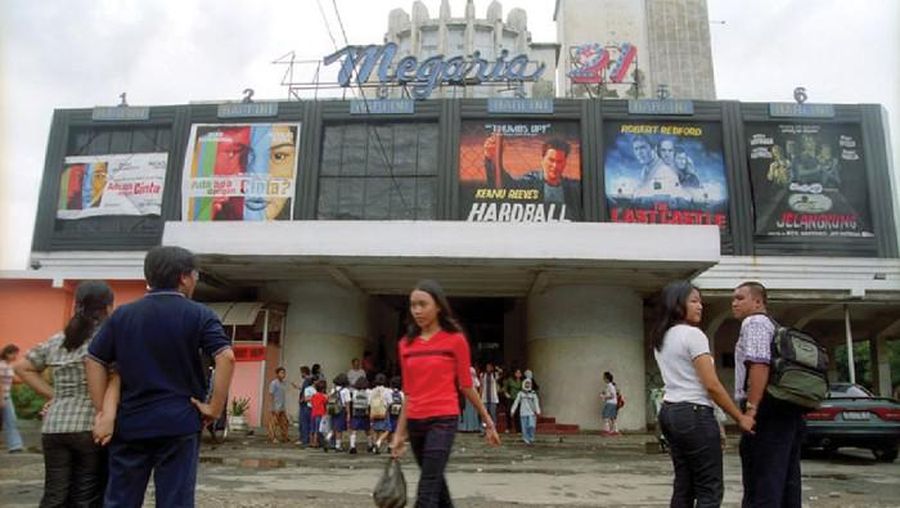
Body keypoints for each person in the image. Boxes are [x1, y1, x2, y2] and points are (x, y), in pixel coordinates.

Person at [85, 246, 235, 507]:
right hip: (180, 421)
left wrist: (103, 412)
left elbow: (94, 359)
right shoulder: (200, 314)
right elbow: (226, 357)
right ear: (184, 278)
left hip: (130, 422)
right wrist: (214, 408)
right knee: (174, 501)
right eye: (195, 275)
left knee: (121, 500)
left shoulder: (123, 315)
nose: (196, 281)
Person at [391, 279, 501, 507]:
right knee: (436, 483)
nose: (417, 311)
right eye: (413, 305)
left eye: (423, 304)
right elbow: (408, 393)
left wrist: (488, 421)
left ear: (438, 306)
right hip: (415, 422)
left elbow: (466, 385)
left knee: (427, 488)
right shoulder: (406, 345)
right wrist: (399, 434)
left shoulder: (455, 340)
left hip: (443, 419)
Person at [652, 280, 755, 508]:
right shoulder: (693, 335)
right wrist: (740, 418)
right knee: (710, 487)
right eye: (694, 301)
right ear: (678, 304)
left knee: (684, 485)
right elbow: (712, 385)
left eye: (701, 301)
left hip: (670, 412)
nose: (700, 306)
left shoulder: (662, 338)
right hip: (694, 412)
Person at [14, 281, 116, 506]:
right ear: (108, 308)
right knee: (86, 496)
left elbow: (22, 368)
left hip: (54, 426)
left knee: (54, 494)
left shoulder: (58, 339)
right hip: (91, 425)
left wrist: (55, 396)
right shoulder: (106, 339)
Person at [733, 281, 805, 508]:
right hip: (787, 410)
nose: (734, 303)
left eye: (739, 298)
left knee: (762, 481)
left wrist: (751, 409)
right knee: (786, 480)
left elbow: (759, 365)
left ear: (757, 301)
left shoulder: (754, 322)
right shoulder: (774, 326)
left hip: (766, 410)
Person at [483, 134, 582, 220]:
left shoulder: (573, 188)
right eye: (551, 160)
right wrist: (491, 159)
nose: (555, 166)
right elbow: (507, 186)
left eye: (559, 161)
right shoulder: (532, 182)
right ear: (543, 160)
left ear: (565, 163)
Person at [631, 135, 688, 200]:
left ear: (654, 149)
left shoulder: (665, 170)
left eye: (643, 148)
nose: (639, 152)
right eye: (636, 149)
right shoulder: (645, 170)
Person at [1, 344, 24, 453]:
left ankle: (15, 445)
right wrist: (1, 399)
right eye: (13, 353)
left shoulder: (8, 366)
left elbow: (15, 380)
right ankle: (15, 445)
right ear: (7, 353)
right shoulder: (2, 365)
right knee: (10, 420)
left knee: (10, 420)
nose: (15, 356)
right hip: (3, 396)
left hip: (6, 396)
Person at [325, 373, 351, 452]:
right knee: (339, 429)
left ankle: (328, 437)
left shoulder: (334, 389)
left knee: (334, 426)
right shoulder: (345, 390)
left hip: (333, 410)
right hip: (341, 410)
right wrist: (348, 413)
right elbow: (347, 403)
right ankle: (338, 445)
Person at [510, 379, 541, 445]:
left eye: (529, 383)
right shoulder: (520, 393)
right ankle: (526, 440)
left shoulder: (533, 393)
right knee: (524, 427)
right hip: (523, 413)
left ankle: (531, 438)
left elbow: (536, 403)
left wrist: (538, 411)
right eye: (526, 383)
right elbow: (516, 402)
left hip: (531, 413)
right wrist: (512, 410)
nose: (527, 385)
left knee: (531, 426)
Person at [369, 373, 392, 454]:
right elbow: (390, 402)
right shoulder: (387, 391)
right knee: (387, 430)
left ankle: (375, 446)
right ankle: (378, 442)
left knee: (376, 430)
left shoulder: (372, 391)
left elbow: (370, 403)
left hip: (374, 412)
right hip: (383, 412)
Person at [348, 376, 372, 454]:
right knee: (367, 430)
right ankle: (370, 445)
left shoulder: (355, 392)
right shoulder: (368, 391)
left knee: (353, 430)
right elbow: (369, 402)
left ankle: (352, 446)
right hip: (365, 412)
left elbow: (353, 401)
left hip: (356, 412)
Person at [291, 365, 313, 446]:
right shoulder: (309, 380)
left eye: (301, 373)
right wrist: (298, 387)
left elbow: (306, 391)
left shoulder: (307, 381)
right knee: (306, 422)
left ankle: (304, 439)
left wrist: (302, 399)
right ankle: (305, 439)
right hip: (307, 404)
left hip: (305, 404)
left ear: (304, 372)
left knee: (303, 422)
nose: (301, 374)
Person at [266, 367, 289, 443]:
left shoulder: (283, 383)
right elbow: (271, 395)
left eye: (284, 373)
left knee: (284, 422)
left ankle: (284, 437)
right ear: (277, 374)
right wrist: (272, 407)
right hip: (275, 406)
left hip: (282, 406)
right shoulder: (274, 383)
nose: (283, 374)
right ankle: (272, 437)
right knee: (273, 423)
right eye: (282, 373)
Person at [458, 365, 481, 432]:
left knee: (472, 412)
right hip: (468, 397)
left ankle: (471, 427)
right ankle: (470, 427)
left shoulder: (472, 379)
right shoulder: (467, 379)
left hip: (472, 397)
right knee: (468, 411)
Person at [480, 362, 500, 433]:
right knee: (484, 415)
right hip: (485, 397)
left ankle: (493, 429)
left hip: (493, 398)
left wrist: (497, 369)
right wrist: (480, 395)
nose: (488, 368)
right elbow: (481, 385)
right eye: (487, 367)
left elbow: (501, 373)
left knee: (493, 414)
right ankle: (483, 429)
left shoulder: (495, 375)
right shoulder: (482, 375)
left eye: (490, 367)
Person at [503, 368, 524, 434]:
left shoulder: (522, 381)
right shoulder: (510, 380)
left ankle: (518, 429)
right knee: (508, 412)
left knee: (517, 414)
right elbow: (505, 388)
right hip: (511, 398)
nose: (518, 374)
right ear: (514, 374)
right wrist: (506, 394)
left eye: (519, 373)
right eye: (517, 373)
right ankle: (509, 427)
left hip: (518, 399)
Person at [309, 379, 327, 449]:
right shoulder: (322, 396)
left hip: (313, 413)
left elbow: (311, 402)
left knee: (312, 429)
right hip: (320, 414)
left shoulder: (313, 396)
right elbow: (325, 402)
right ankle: (316, 442)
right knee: (317, 429)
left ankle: (311, 442)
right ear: (323, 389)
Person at [601, 371, 620, 436]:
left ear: (607, 379)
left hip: (610, 403)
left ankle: (607, 431)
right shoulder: (612, 385)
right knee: (612, 417)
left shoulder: (610, 386)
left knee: (606, 416)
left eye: (604, 377)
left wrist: (604, 397)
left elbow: (612, 396)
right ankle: (615, 431)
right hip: (614, 403)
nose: (603, 378)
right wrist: (604, 393)